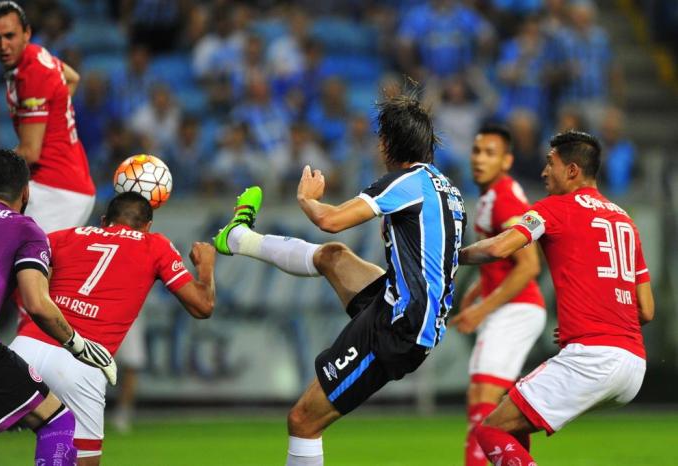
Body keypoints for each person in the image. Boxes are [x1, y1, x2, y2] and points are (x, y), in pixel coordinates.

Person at [213, 92, 467, 465]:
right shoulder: (449, 190)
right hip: (404, 307)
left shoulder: (404, 183)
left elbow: (329, 220)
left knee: (303, 420)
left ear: (387, 143)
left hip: (398, 326)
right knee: (333, 257)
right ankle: (238, 238)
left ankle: (238, 238)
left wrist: (308, 199)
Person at [459, 130, 654, 465]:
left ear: (572, 170)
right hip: (634, 366)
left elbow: (499, 247)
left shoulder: (553, 209)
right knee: (511, 422)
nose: (544, 172)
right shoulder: (625, 220)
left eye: (551, 163)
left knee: (490, 430)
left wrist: (452, 255)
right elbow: (646, 310)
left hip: (591, 359)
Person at [10, 191, 217, 465]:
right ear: (147, 226)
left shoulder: (65, 236)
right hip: (82, 361)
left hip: (25, 347)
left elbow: (23, 275)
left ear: (103, 220)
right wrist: (206, 266)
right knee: (83, 460)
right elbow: (202, 306)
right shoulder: (155, 244)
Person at [0, 149, 116, 466]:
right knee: (56, 422)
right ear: (26, 192)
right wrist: (77, 344)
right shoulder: (25, 229)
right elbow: (37, 303)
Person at [450, 125, 546, 466]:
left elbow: (529, 265)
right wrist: (478, 290)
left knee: (483, 396)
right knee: (501, 407)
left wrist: (482, 309)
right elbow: (501, 261)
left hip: (515, 309)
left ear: (506, 161)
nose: (479, 159)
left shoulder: (504, 197)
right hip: (511, 307)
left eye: (490, 153)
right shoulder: (492, 196)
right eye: (477, 151)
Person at [0, 1, 95, 233]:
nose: (3, 45)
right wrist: (54, 114)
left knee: (10, 251)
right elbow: (72, 78)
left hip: (56, 191)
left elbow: (29, 152)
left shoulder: (32, 75)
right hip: (61, 184)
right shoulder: (36, 54)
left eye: (9, 36)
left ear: (27, 33)